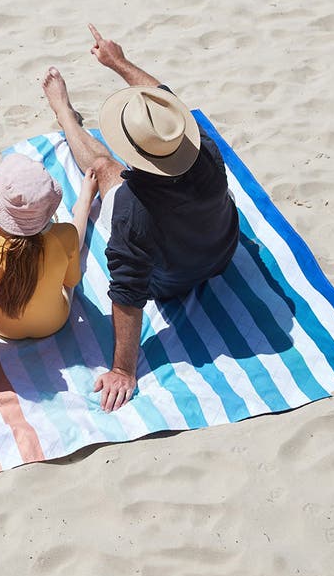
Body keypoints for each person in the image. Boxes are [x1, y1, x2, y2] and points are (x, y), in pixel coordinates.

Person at [42, 25, 239, 413]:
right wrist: (118, 62)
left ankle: (66, 117)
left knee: (101, 165)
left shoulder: (134, 210)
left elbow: (129, 294)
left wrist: (122, 369)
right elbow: (168, 104)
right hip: (222, 251)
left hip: (172, 279)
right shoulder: (205, 151)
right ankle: (70, 116)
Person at [0, 154, 99, 340]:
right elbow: (71, 281)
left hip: (3, 326)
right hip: (53, 323)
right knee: (73, 240)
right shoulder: (66, 234)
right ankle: (83, 206)